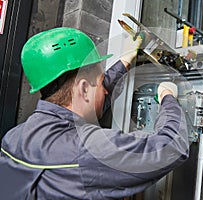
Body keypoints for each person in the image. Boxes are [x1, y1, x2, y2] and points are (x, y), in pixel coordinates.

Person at [0, 27, 189, 199]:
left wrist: (125, 60)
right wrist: (167, 95)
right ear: (83, 89)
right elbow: (170, 148)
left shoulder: (14, 138)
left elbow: (93, 99)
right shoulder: (87, 152)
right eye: (100, 82)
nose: (106, 90)